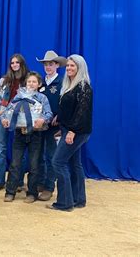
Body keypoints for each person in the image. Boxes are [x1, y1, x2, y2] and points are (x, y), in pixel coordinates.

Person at [47, 54, 93, 212]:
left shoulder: (83, 86)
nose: (69, 68)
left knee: (58, 162)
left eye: (73, 66)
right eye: (68, 66)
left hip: (77, 131)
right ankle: (78, 199)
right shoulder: (71, 84)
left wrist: (71, 131)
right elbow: (69, 108)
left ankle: (65, 202)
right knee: (75, 164)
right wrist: (61, 121)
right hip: (69, 128)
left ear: (80, 67)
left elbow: (82, 112)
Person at [1, 72, 53, 203]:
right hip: (19, 134)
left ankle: (32, 193)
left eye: (34, 82)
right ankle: (10, 191)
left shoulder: (42, 98)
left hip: (35, 134)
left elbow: (49, 114)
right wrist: (4, 119)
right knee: (15, 163)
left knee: (34, 165)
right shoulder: (19, 96)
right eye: (29, 81)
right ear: (25, 83)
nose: (31, 84)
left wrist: (43, 119)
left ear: (39, 84)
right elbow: (7, 111)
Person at [0, 54, 29, 192]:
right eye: (12, 62)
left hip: (21, 119)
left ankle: (18, 182)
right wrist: (0, 114)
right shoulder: (4, 80)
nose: (14, 65)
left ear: (22, 64)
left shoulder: (27, 81)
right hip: (3, 117)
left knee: (19, 151)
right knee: (1, 149)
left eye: (17, 62)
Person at [35, 50, 67, 201]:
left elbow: (66, 102)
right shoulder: (40, 82)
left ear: (57, 65)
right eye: (46, 64)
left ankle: (49, 187)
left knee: (51, 156)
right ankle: (40, 182)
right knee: (38, 155)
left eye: (51, 64)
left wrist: (60, 116)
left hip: (53, 126)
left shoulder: (61, 82)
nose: (48, 67)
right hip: (39, 124)